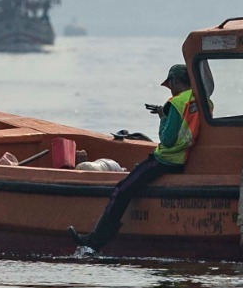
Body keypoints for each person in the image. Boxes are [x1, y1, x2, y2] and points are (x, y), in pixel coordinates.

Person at [69, 63, 200, 251]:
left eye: (170, 84)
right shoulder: (198, 99)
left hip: (166, 160)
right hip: (183, 158)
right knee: (136, 176)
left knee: (121, 190)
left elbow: (167, 139)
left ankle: (95, 241)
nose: (169, 89)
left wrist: (163, 116)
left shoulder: (176, 103)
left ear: (175, 81)